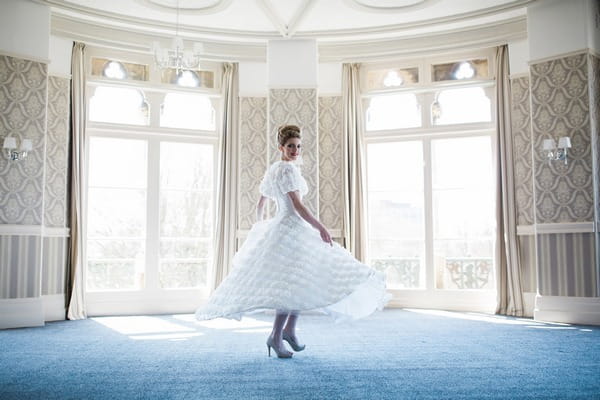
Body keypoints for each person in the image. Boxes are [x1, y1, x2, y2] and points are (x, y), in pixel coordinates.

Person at [195, 124, 390, 358]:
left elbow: (261, 204)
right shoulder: (287, 170)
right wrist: (320, 227)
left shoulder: (274, 169)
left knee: (299, 280)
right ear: (281, 147)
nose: (295, 150)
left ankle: (288, 331)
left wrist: (261, 226)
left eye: (298, 146)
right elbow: (297, 206)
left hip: (283, 226)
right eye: (290, 146)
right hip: (292, 227)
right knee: (292, 284)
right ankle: (277, 336)